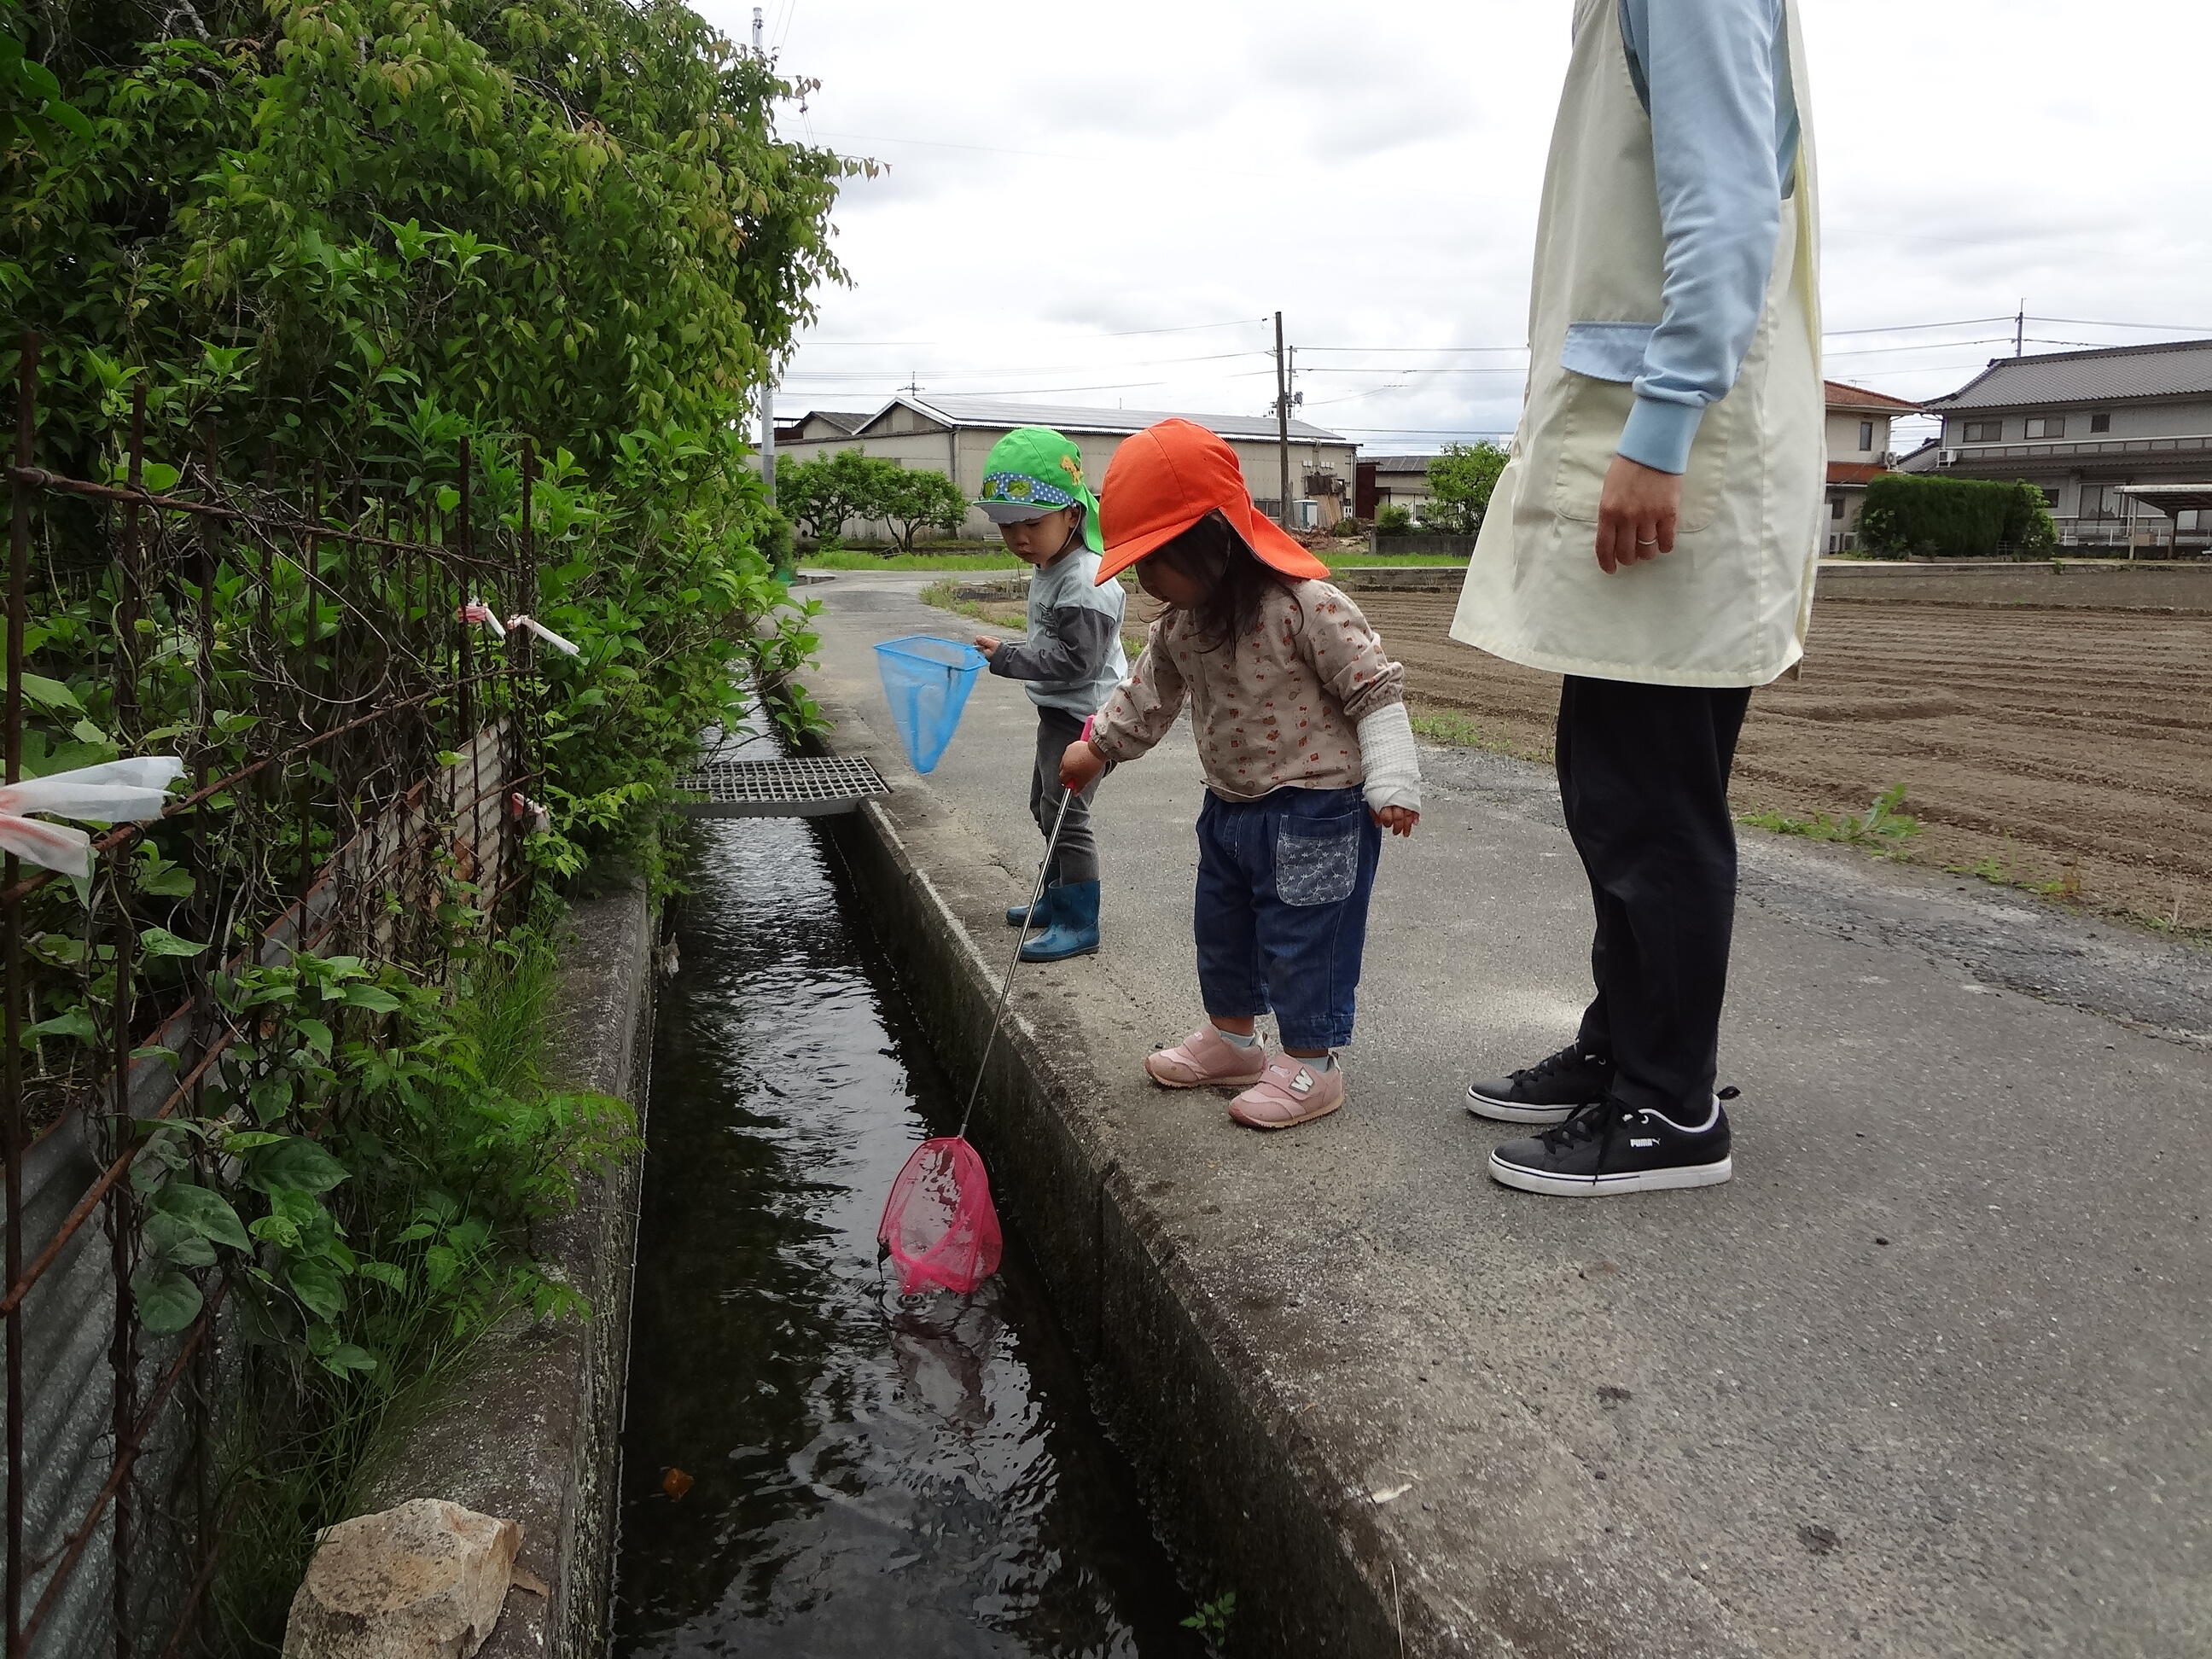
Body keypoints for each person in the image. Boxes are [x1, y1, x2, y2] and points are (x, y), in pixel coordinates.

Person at [1449, 0, 1822, 1196]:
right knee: (1625, 786)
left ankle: (1670, 1108)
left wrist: (1660, 428)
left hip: (1672, 444)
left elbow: (1725, 204)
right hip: (1659, 435)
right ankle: (1631, 1049)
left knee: (1646, 805)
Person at [1059, 420, 1420, 1132]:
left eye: (1155, 558)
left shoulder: (1302, 604)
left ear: (1212, 537)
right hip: (1230, 809)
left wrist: (1393, 781)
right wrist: (1097, 745)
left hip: (1318, 810)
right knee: (1222, 930)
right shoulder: (1180, 626)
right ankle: (1231, 1040)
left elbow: (1373, 690)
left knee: (1304, 940)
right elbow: (1145, 697)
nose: (1143, 578)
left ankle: (1312, 1066)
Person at [969, 427, 1127, 963]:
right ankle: (1055, 897)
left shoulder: (1086, 581)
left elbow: (1077, 661)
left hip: (1085, 719)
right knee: (1045, 805)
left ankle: (1079, 921)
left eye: (1032, 523)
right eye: (1006, 525)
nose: (1018, 537)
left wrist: (1009, 658)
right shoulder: (1051, 564)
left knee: (1066, 813)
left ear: (1073, 515)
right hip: (1059, 710)